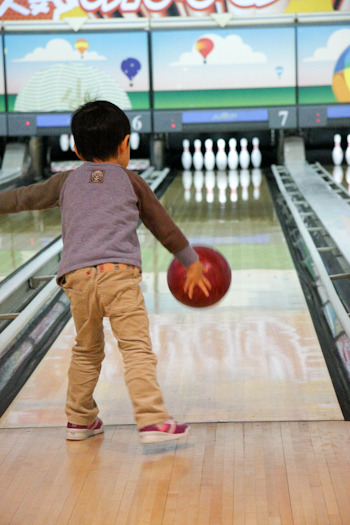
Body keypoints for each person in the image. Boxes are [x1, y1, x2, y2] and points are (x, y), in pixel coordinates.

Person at [0, 100, 211, 444]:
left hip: (77, 278)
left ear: (75, 148)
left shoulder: (64, 181)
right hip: (119, 276)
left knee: (86, 349)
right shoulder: (131, 180)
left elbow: (23, 197)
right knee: (136, 348)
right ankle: (153, 419)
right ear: (126, 144)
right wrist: (190, 260)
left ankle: (80, 421)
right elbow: (163, 226)